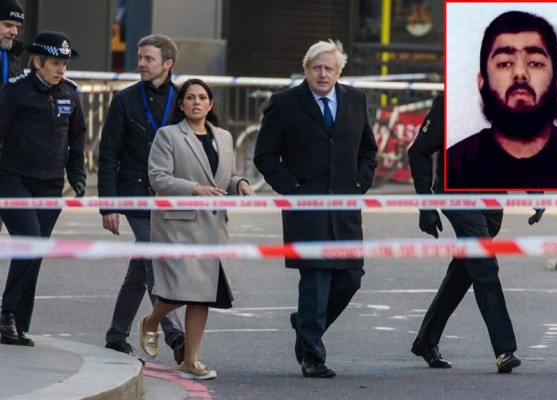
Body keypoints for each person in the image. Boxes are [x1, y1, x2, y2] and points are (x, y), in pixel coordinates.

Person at [254, 39, 377, 378]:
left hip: (345, 208)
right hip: (306, 208)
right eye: (316, 67)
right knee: (316, 280)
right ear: (306, 69)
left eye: (329, 68)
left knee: (351, 278)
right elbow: (265, 156)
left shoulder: (355, 99)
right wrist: (293, 189)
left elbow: (368, 149)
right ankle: (312, 356)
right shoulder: (284, 103)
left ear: (339, 71)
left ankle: (307, 325)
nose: (323, 73)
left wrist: (359, 184)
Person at [408, 92, 544, 373]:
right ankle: (504, 349)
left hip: (492, 200)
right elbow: (418, 151)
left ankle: (426, 340)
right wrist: (426, 206)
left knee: (465, 270)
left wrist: (536, 191)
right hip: (457, 196)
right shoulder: (449, 102)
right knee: (484, 266)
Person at [138, 78, 253, 380]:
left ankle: (190, 360)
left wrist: (238, 183)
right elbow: (158, 178)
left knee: (202, 295)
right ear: (181, 104)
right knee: (179, 290)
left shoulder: (225, 137)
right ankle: (151, 321)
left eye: (202, 97)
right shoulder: (168, 136)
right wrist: (194, 189)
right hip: (179, 225)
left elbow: (224, 178)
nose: (196, 102)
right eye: (190, 97)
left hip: (213, 227)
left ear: (211, 104)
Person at [97, 33, 185, 362]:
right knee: (154, 260)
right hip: (134, 195)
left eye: (148, 59)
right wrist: (109, 206)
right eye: (140, 57)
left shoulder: (183, 99)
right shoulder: (125, 100)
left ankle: (116, 334)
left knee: (140, 268)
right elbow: (109, 155)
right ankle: (176, 336)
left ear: (168, 63)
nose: (141, 64)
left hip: (170, 197)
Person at [446, 10, 557, 190]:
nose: (520, 74)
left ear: (556, 80)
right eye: (504, 63)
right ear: (482, 81)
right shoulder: (451, 167)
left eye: (534, 63)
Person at [0, 31, 86, 346]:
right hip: (13, 178)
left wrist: (77, 175)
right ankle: (6, 313)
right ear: (37, 61)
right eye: (55, 63)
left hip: (51, 185)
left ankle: (17, 322)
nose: (61, 69)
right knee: (32, 242)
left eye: (64, 63)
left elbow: (78, 138)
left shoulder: (70, 94)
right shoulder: (15, 92)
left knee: (37, 251)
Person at [0, 0, 26, 233]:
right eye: (8, 24)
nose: (14, 31)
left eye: (17, 26)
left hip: (8, 157)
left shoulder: (15, 56)